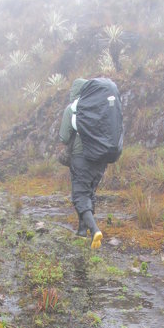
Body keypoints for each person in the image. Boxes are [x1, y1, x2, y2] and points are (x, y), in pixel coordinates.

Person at [59, 78, 105, 250]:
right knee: (89, 193)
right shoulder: (98, 107)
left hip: (81, 158)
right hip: (101, 158)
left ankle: (94, 231)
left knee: (79, 195)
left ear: (74, 91)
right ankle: (81, 230)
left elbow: (63, 137)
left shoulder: (73, 108)